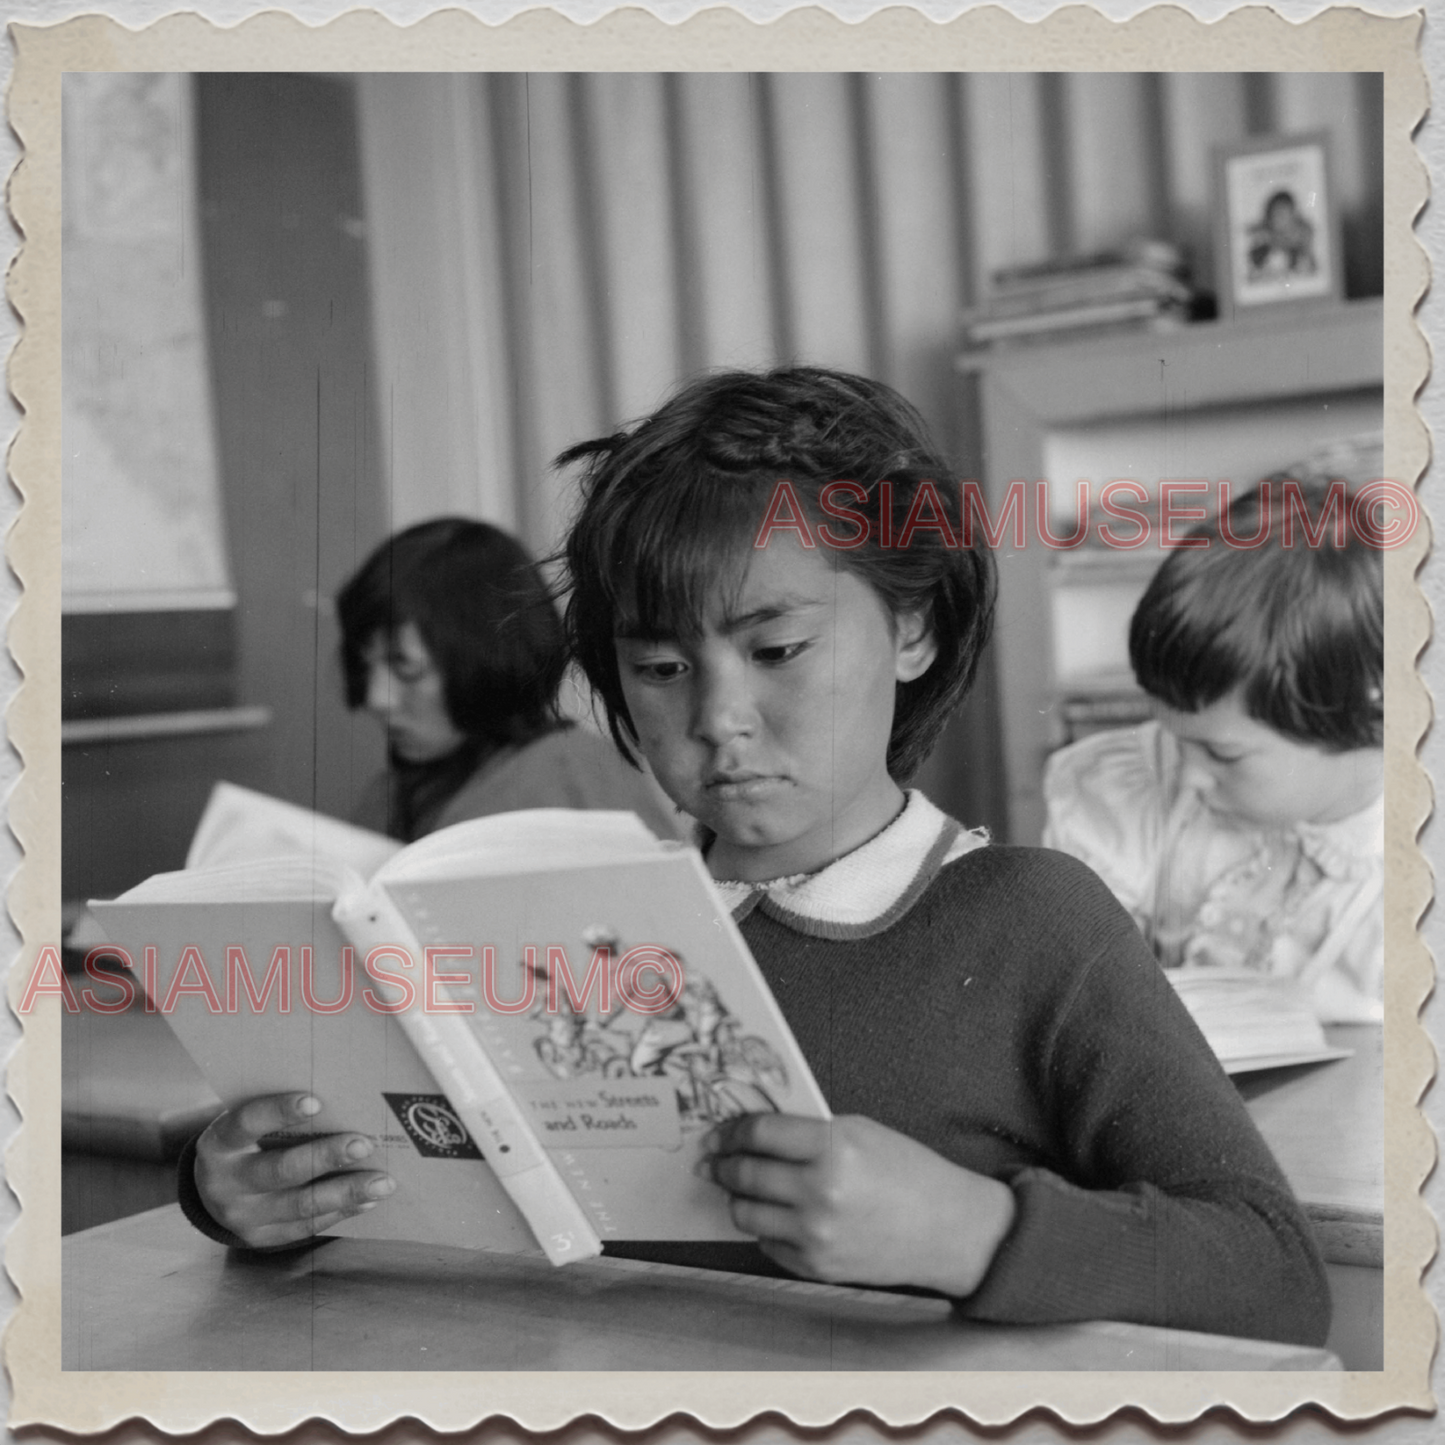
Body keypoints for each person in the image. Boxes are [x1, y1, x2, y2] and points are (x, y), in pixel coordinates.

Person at [181, 370, 1329, 1346]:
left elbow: (1274, 1273)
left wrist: (975, 1231)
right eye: (661, 669)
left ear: (913, 627)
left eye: (775, 647)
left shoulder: (1032, 922)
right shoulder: (562, 926)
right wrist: (244, 1191)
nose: (720, 716)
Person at [1045, 476, 1384, 1024]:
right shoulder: (1130, 794)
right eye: (1174, 740)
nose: (1188, 779)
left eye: (1221, 755)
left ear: (1350, 716)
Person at [335, 516, 681, 843]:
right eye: (367, 665)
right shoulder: (394, 792)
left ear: (482, 655)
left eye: (405, 666)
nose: (376, 698)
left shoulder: (571, 772)